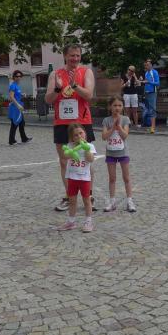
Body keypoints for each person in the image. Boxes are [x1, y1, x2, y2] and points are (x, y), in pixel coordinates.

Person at [45, 43, 97, 212]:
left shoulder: (86, 72)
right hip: (62, 123)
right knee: (64, 161)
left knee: (86, 159)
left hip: (81, 121)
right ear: (65, 56)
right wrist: (58, 89)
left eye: (78, 55)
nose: (75, 58)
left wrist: (75, 86)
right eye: (72, 55)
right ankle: (69, 196)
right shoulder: (55, 74)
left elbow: (89, 95)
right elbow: (48, 99)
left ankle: (89, 195)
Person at [57, 123, 97, 233]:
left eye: (81, 133)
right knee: (72, 201)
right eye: (76, 135)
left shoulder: (90, 146)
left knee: (87, 201)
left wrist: (86, 149)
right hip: (72, 177)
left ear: (85, 133)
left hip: (84, 179)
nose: (79, 136)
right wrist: (71, 152)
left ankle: (88, 221)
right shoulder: (70, 145)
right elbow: (65, 156)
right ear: (72, 137)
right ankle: (71, 222)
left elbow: (90, 159)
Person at [101, 96, 136, 213]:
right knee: (112, 178)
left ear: (123, 107)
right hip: (110, 152)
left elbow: (125, 135)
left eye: (120, 105)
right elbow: (104, 136)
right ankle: (112, 201)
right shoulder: (106, 120)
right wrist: (112, 128)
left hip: (123, 152)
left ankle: (130, 201)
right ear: (110, 107)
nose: (117, 108)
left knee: (126, 177)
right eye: (115, 105)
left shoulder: (125, 119)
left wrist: (119, 126)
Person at [7, 70, 32, 146]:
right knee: (14, 123)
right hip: (15, 107)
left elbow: (16, 94)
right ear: (14, 77)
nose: (18, 78)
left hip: (18, 107)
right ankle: (11, 141)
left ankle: (24, 138)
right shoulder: (13, 86)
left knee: (22, 123)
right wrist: (18, 105)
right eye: (17, 76)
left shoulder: (17, 85)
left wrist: (22, 94)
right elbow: (11, 97)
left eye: (20, 76)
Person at [141, 59, 160, 133]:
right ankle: (150, 126)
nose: (147, 66)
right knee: (148, 109)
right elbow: (146, 83)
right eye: (146, 65)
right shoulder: (146, 73)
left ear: (151, 65)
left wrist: (148, 82)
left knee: (152, 109)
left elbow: (157, 83)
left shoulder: (154, 72)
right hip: (146, 93)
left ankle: (153, 127)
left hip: (152, 92)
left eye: (148, 65)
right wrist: (141, 81)